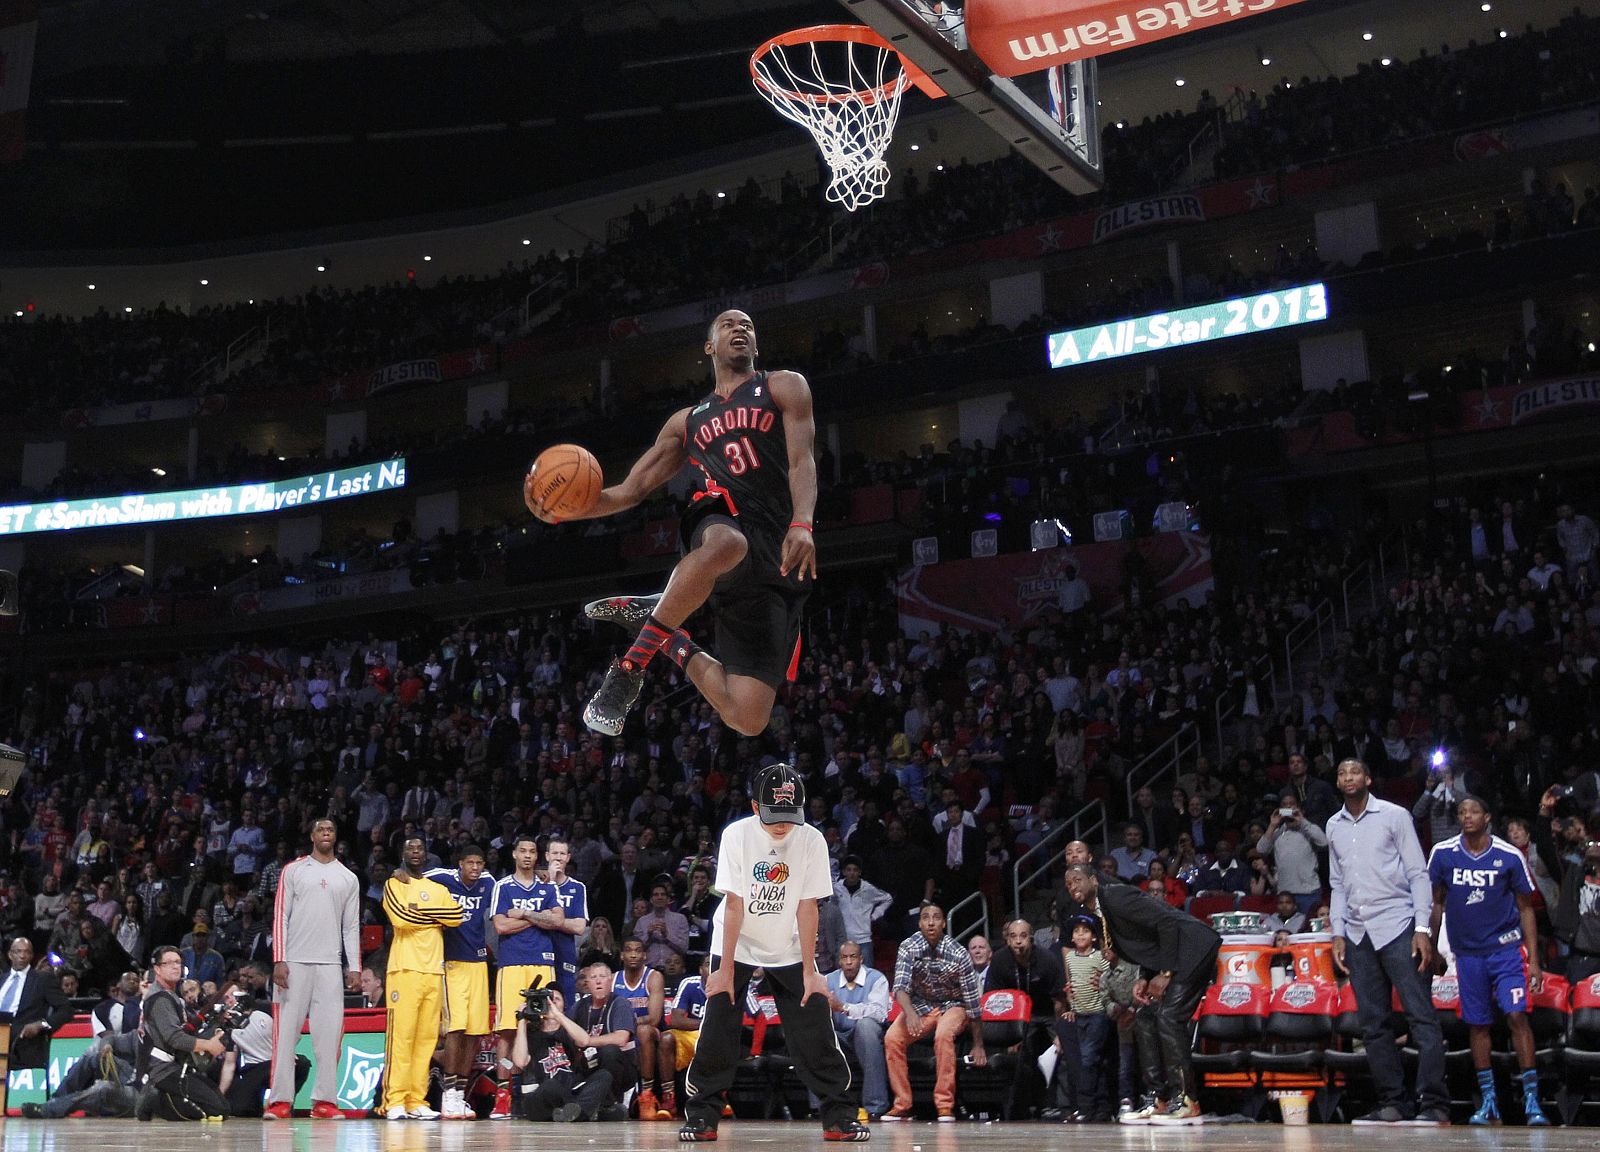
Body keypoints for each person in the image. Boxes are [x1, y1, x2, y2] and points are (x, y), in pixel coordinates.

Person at [570, 310, 819, 739]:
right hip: (719, 516)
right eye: (728, 325)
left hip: (775, 549)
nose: (740, 329)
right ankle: (629, 669)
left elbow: (802, 461)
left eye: (747, 326)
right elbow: (629, 490)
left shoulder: (783, 386)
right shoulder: (688, 421)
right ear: (710, 347)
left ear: (756, 345)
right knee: (727, 543)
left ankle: (664, 630)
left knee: (748, 717)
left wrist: (803, 523)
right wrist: (566, 510)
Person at [679, 764, 866, 1141]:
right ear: (754, 807)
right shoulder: (736, 835)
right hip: (736, 940)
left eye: (789, 816)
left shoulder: (811, 839)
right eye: (773, 816)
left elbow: (808, 906)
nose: (782, 825)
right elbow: (734, 904)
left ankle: (839, 1116)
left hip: (790, 942)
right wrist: (725, 969)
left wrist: (811, 970)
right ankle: (702, 1116)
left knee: (814, 1027)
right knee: (718, 1027)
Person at [1327, 757, 1448, 1125]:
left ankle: (1434, 1103)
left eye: (1354, 772)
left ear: (1367, 778)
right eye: (1342, 773)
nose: (1348, 777)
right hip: (1357, 931)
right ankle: (1394, 1102)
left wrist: (1422, 929)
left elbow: (1417, 873)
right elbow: (1337, 884)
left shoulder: (1395, 816)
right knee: (1373, 1024)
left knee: (1421, 1017)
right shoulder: (1333, 825)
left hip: (1398, 925)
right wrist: (1337, 932)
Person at [1062, 863, 1220, 1125]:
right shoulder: (1099, 911)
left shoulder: (1116, 895)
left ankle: (1187, 1100)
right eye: (1068, 883)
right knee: (1145, 1016)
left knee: (1169, 1018)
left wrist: (1165, 973)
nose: (1072, 886)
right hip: (1172, 955)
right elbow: (1148, 940)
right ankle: (1159, 1098)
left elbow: (1166, 921)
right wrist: (1145, 977)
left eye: (1077, 879)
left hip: (1193, 947)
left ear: (1094, 880)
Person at [1427, 795, 1549, 1126]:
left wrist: (1534, 960)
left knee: (1516, 1016)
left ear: (1487, 817)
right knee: (1478, 1024)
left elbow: (1526, 908)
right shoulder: (1443, 853)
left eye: (1473, 811)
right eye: (1461, 812)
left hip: (1506, 951)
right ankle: (1489, 1101)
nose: (1466, 816)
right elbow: (1436, 904)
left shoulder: (1508, 855)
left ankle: (1532, 1100)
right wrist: (1433, 947)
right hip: (1467, 955)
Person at [265, 817, 361, 1121]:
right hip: (294, 962)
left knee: (329, 1036)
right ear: (312, 836)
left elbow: (351, 926)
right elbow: (280, 915)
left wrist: (354, 966)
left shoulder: (348, 877)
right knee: (286, 1034)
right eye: (321, 829)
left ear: (336, 837)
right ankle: (280, 1100)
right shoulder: (294, 870)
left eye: (330, 830)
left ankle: (325, 1101)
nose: (326, 833)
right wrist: (279, 959)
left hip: (330, 964)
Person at [382, 835, 466, 1120]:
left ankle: (416, 1099)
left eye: (420, 848)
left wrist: (419, 911)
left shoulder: (437, 888)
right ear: (402, 854)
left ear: (426, 854)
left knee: (426, 1039)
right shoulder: (394, 884)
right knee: (402, 1037)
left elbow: (456, 916)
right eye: (410, 848)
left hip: (434, 970)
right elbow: (401, 919)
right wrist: (434, 917)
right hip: (405, 969)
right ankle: (394, 1100)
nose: (415, 852)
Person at [883, 903, 988, 1123]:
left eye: (936, 918)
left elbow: (972, 1003)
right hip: (921, 1005)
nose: (931, 922)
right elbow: (900, 987)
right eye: (926, 917)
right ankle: (902, 1104)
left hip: (954, 1005)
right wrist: (910, 1013)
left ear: (943, 924)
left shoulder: (959, 953)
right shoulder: (908, 947)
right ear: (920, 923)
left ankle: (944, 1105)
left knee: (943, 1035)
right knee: (892, 1038)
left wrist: (978, 1044)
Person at [490, 835, 560, 1119]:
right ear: (515, 855)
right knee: (508, 1030)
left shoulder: (547, 886)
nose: (528, 855)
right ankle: (503, 1094)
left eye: (532, 851)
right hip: (512, 963)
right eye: (523, 851)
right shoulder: (503, 886)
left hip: (543, 962)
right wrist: (538, 918)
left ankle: (538, 1092)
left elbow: (557, 921)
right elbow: (501, 926)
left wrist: (524, 913)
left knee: (544, 1026)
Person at [427, 843, 496, 1121]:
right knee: (455, 1029)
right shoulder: (442, 877)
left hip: (478, 963)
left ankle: (460, 1093)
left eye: (479, 863)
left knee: (474, 1031)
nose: (475, 868)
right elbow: (415, 876)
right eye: (470, 863)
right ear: (460, 864)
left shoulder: (488, 882)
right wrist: (402, 872)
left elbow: (510, 886)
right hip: (452, 962)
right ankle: (448, 1094)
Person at [135, 945, 230, 1121]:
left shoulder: (172, 996)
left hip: (176, 1065)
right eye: (168, 963)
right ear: (157, 969)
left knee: (222, 1106)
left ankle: (161, 1098)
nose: (175, 966)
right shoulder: (160, 999)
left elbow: (186, 1030)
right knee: (216, 1110)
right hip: (162, 1070)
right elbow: (175, 1039)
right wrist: (208, 1045)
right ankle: (155, 1099)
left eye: (178, 962)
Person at [985, 918, 1063, 1118]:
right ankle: (1019, 1109)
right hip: (1016, 1016)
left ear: (1031, 938)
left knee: (1064, 1047)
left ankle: (1060, 1105)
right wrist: (1010, 1035)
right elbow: (994, 998)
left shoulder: (1047, 959)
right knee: (1020, 1057)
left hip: (1046, 1011)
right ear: (1007, 940)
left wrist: (1059, 1033)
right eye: (1013, 936)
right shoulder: (1000, 960)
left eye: (1023, 936)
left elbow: (1058, 1000)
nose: (1018, 941)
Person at [510, 986, 624, 1122]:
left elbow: (584, 1041)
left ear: (564, 1005)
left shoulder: (569, 1028)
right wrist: (522, 1021)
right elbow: (520, 1061)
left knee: (604, 1075)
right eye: (547, 999)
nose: (551, 1002)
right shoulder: (530, 1032)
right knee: (551, 1085)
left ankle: (571, 1113)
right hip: (541, 1095)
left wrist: (558, 1015)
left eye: (556, 999)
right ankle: (582, 1112)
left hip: (570, 1090)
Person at [824, 942, 890, 1120]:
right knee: (816, 1032)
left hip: (865, 1037)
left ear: (861, 959)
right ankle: (822, 1106)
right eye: (844, 958)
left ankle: (875, 1105)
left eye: (853, 957)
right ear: (839, 961)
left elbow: (879, 1013)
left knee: (866, 1026)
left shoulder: (876, 979)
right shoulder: (827, 980)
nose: (848, 962)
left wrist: (844, 1007)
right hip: (839, 1037)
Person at [1057, 916, 1111, 1123]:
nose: (1080, 934)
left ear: (1094, 937)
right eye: (1076, 931)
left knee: (1089, 1058)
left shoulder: (1099, 957)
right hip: (1079, 1015)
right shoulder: (1070, 958)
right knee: (1086, 1061)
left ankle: (1086, 1107)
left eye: (1085, 931)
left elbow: (1108, 979)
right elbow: (1072, 985)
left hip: (1098, 1014)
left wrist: (1103, 985)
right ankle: (1095, 1107)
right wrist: (1071, 1006)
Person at [565, 959, 638, 1109]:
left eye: (602, 977)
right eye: (593, 977)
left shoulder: (620, 1003)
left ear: (610, 981)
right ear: (587, 983)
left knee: (609, 1051)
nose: (598, 981)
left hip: (620, 1068)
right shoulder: (580, 1006)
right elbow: (566, 1030)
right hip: (589, 1064)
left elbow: (621, 1038)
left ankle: (611, 1102)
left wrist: (587, 1041)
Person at [0, 936, 73, 1072]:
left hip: (22, 1041)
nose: (22, 956)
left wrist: (41, 1025)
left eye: (26, 952)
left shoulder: (43, 979)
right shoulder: (2, 980)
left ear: (32, 956)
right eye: (18, 951)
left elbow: (66, 1010)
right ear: (10, 955)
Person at [614, 936, 668, 1117]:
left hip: (651, 1034)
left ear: (645, 955)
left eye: (638, 951)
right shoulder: (613, 979)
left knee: (643, 1031)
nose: (633, 955)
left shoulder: (654, 977)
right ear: (622, 955)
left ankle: (647, 1095)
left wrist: (626, 1023)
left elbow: (654, 1018)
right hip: (623, 1035)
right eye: (629, 950)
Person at [1256, 792, 1326, 916]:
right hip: (1285, 894)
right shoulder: (1277, 832)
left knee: (1310, 925)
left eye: (1292, 804)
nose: (1288, 807)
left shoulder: (1308, 828)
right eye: (1284, 805)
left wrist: (1302, 820)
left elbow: (1323, 842)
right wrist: (1272, 825)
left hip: (1309, 892)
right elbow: (1261, 849)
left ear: (1298, 807)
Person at [658, 956, 710, 1116]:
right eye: (708, 964)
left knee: (718, 1037)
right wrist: (707, 1023)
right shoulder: (689, 983)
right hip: (692, 1035)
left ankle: (717, 1096)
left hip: (715, 1038)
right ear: (700, 969)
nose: (712, 968)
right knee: (666, 1039)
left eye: (716, 964)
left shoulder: (727, 985)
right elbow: (675, 1020)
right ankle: (669, 1097)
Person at [542, 835, 590, 1004]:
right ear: (547, 856)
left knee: (567, 1004)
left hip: (565, 953)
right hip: (539, 952)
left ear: (568, 857)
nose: (558, 858)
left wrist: (551, 920)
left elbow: (579, 927)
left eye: (562, 854)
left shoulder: (577, 887)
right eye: (554, 853)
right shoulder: (535, 884)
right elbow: (531, 918)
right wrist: (550, 881)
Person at [833, 857, 892, 948]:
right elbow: (832, 905)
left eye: (855, 870)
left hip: (863, 939)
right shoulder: (837, 889)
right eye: (849, 870)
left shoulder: (868, 889)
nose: (852, 873)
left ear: (859, 872)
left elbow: (887, 898)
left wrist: (875, 915)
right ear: (844, 872)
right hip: (843, 939)